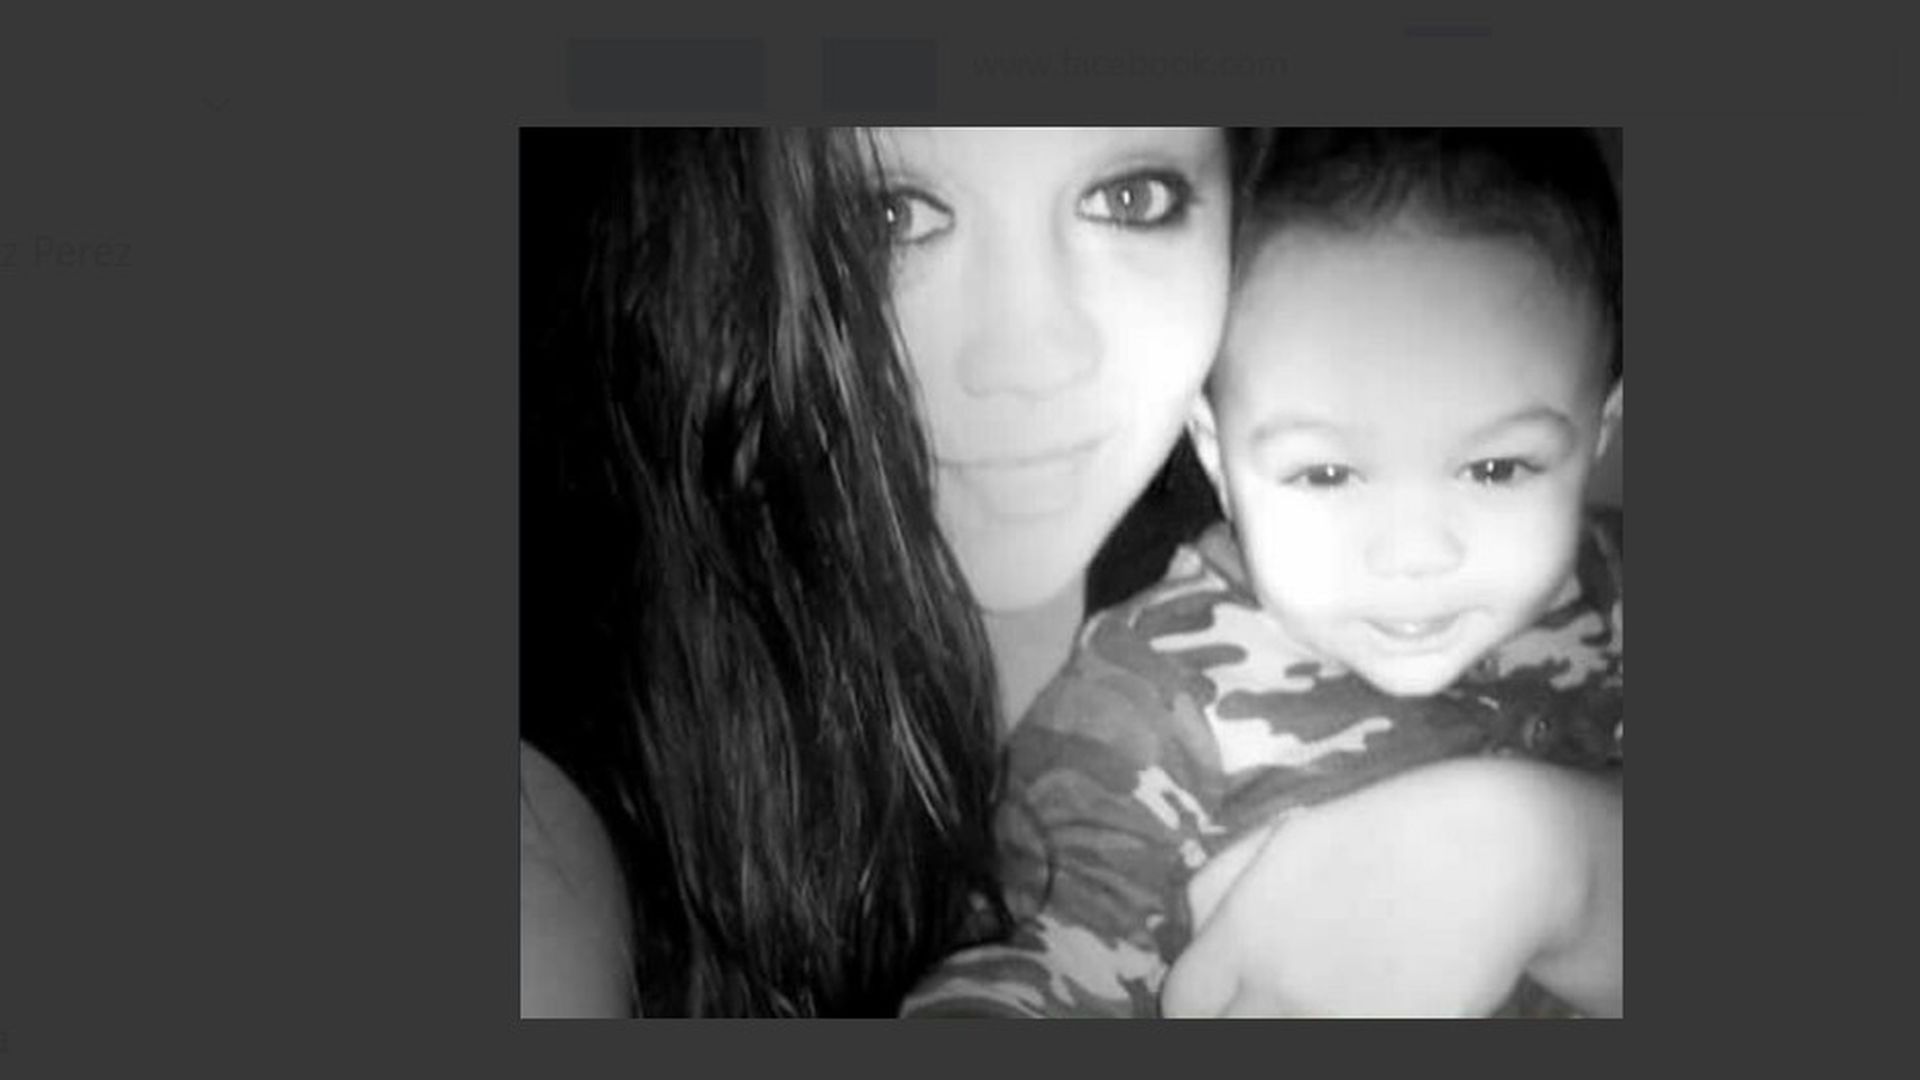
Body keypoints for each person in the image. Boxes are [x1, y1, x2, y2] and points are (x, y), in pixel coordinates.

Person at [902, 129, 1625, 1018]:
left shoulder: (1615, 596)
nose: (1414, 554)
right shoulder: (1148, 704)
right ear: (1216, 452)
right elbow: (1044, 970)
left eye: (1496, 468)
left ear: (1599, 432)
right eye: (1326, 473)